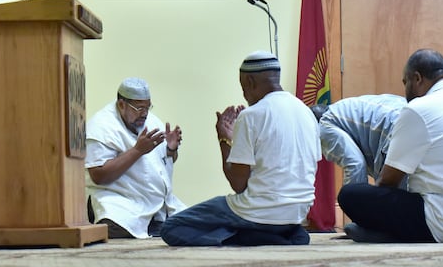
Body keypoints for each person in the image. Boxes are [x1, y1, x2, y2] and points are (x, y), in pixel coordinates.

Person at [337, 49, 443, 243]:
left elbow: (388, 182)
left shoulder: (418, 109)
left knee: (351, 194)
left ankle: (386, 233)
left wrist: (372, 214)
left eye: (405, 82)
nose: (405, 90)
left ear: (417, 78)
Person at [161, 51, 321, 246]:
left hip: (258, 211)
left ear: (250, 82)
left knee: (172, 228)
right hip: (297, 212)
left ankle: (251, 237)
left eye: (243, 87)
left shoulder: (252, 115)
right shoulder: (306, 112)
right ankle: (283, 235)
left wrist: (224, 139)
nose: (244, 95)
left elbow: (238, 184)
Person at [85, 77, 187, 238]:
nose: (145, 114)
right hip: (121, 201)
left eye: (148, 107)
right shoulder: (101, 126)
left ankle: (156, 225)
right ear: (121, 105)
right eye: (139, 108)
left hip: (157, 204)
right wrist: (137, 150)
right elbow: (99, 175)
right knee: (117, 224)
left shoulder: (151, 121)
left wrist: (170, 150)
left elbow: (162, 163)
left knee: (195, 222)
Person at [311, 94, 407, 186]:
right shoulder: (343, 107)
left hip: (395, 128)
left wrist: (352, 200)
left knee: (393, 196)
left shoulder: (324, 125)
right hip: (413, 115)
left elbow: (356, 166)